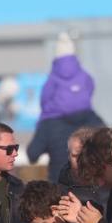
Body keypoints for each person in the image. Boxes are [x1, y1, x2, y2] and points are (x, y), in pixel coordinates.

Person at [27, 33, 104, 182]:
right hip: (94, 194)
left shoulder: (48, 124)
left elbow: (32, 155)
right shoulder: (96, 122)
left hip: (61, 190)